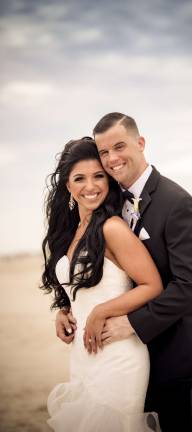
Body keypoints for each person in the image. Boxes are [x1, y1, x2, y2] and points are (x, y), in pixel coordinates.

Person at [56, 113, 192, 432]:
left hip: (176, 349)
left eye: (120, 146)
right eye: (104, 152)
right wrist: (65, 307)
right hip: (130, 354)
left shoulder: (177, 203)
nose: (112, 158)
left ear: (140, 143)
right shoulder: (110, 202)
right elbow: (102, 272)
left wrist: (130, 323)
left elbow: (190, 286)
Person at [41, 137, 163, 431]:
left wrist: (99, 312)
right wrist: (64, 310)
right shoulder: (71, 232)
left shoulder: (112, 228)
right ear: (68, 186)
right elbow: (79, 289)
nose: (91, 186)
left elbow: (152, 285)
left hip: (119, 354)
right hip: (84, 356)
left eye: (99, 176)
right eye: (79, 178)